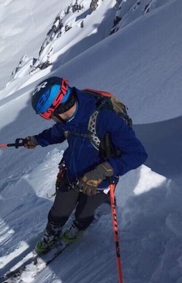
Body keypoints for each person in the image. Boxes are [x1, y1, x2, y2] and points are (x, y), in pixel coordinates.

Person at [24, 76, 147, 254]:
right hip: (72, 173)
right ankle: (52, 233)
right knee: (59, 210)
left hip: (99, 182)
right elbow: (55, 133)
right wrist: (36, 140)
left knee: (84, 212)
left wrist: (102, 171)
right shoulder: (67, 121)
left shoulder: (105, 119)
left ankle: (77, 228)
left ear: (56, 110)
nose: (50, 119)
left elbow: (138, 154)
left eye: (48, 115)